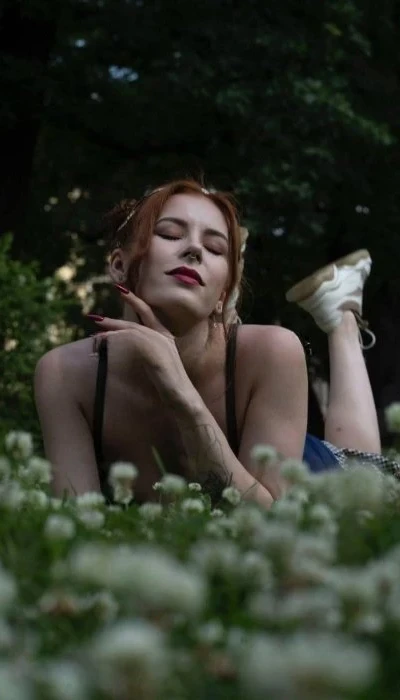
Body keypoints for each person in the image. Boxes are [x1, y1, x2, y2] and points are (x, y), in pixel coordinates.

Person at [34, 180, 309, 507]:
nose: (194, 249)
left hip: (313, 470)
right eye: (170, 234)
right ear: (119, 266)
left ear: (222, 296)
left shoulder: (273, 351)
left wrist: (182, 394)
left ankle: (342, 322)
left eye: (215, 248)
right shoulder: (64, 373)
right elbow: (77, 519)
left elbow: (274, 521)